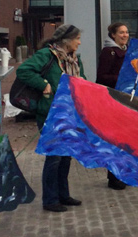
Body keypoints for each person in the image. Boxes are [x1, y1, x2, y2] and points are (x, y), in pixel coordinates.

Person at [16, 24, 86, 212]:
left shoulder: (75, 59)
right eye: (77, 38)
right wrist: (43, 84)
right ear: (66, 40)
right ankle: (50, 199)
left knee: (65, 157)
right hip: (50, 113)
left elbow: (83, 81)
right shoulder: (47, 55)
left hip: (70, 113)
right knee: (54, 157)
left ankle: (63, 194)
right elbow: (23, 71)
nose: (79, 42)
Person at [96, 22, 130, 190]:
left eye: (126, 32)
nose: (125, 35)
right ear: (113, 35)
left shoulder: (125, 51)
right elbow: (102, 77)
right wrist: (123, 78)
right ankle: (114, 176)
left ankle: (122, 173)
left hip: (123, 100)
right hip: (112, 101)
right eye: (121, 33)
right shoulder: (108, 52)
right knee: (116, 140)